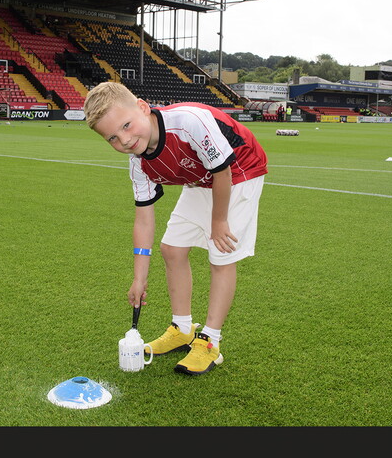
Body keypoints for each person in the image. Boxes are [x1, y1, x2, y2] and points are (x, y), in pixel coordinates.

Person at [84, 81, 269, 375]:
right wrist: (138, 279)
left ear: (143, 107)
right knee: (172, 249)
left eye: (127, 125)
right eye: (113, 138)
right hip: (203, 177)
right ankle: (182, 329)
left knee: (220, 254)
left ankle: (210, 341)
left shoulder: (187, 122)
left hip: (239, 170)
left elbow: (222, 169)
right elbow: (144, 219)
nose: (125, 140)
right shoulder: (138, 164)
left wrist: (218, 221)